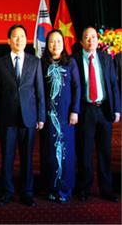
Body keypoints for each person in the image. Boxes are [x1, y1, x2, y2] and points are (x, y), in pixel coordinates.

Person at [0, 24, 45, 207]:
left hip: (29, 118)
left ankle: (27, 193)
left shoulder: (35, 62)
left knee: (27, 158)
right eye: (15, 36)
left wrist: (41, 116)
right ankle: (7, 193)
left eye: (22, 36)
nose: (19, 39)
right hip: (7, 119)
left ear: (27, 39)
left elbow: (39, 90)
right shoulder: (0, 63)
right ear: (9, 41)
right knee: (7, 157)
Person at [72, 26, 120, 202]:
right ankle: (84, 189)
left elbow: (114, 84)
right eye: (87, 37)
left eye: (93, 37)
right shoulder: (74, 60)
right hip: (86, 110)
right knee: (84, 152)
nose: (91, 40)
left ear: (98, 40)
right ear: (81, 41)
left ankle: (106, 189)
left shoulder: (107, 59)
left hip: (104, 109)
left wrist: (117, 109)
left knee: (104, 152)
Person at [40, 29, 81, 203]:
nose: (55, 45)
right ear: (47, 44)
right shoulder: (41, 64)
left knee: (66, 153)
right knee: (49, 152)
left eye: (58, 41)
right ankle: (51, 188)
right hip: (49, 116)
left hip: (66, 116)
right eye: (51, 42)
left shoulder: (70, 63)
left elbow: (77, 88)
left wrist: (75, 110)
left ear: (63, 44)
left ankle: (65, 189)